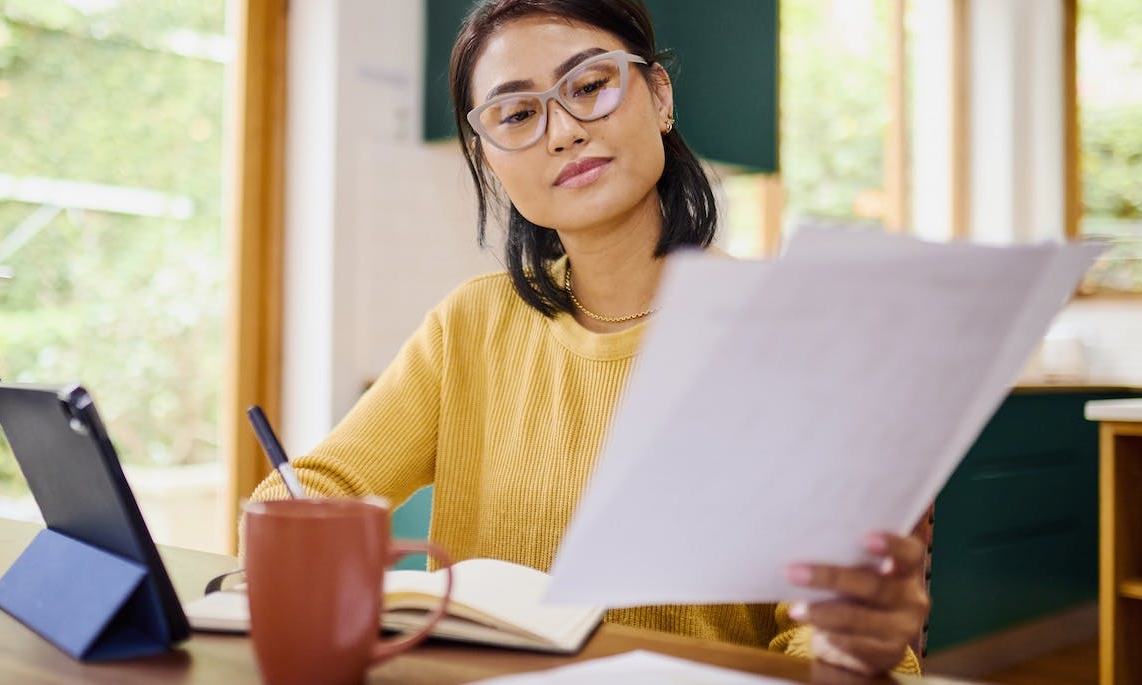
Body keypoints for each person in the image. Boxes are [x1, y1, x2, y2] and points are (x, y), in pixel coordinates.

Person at [249, 0, 929, 675]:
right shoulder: (469, 327)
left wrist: (850, 654)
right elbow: (305, 488)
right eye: (518, 114)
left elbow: (835, 639)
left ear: (659, 97)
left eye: (590, 86)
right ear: (490, 162)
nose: (563, 131)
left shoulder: (788, 337)